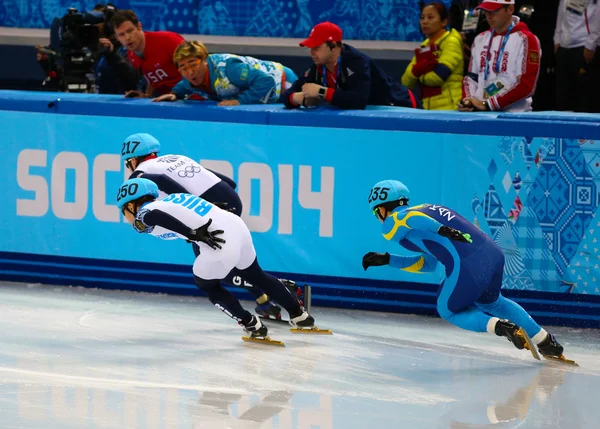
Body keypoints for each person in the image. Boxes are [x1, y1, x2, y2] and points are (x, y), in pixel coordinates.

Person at [362, 179, 565, 359]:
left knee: (447, 309)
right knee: (494, 302)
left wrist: (440, 229)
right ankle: (546, 341)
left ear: (381, 208)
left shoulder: (394, 221)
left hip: (467, 264)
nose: (377, 217)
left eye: (375, 212)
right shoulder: (427, 207)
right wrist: (389, 259)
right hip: (493, 254)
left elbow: (407, 220)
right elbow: (428, 264)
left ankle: (503, 327)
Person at [120, 132, 298, 319]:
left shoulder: (139, 174)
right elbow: (229, 182)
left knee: (214, 268)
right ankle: (264, 298)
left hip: (207, 208)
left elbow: (163, 182)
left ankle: (276, 289)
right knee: (229, 261)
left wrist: (197, 205)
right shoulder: (175, 158)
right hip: (228, 197)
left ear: (132, 159)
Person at [115, 178, 315, 339]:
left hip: (217, 238)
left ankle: (251, 324)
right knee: (256, 275)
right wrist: (193, 229)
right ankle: (299, 315)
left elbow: (155, 216)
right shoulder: (174, 197)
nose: (126, 217)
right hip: (236, 226)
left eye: (124, 210)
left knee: (207, 285)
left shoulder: (145, 212)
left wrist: (191, 233)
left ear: (132, 205)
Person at [282, 21, 421, 110]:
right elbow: (287, 94)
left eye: (316, 47)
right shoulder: (318, 67)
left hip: (401, 105)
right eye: (310, 47)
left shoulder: (357, 62)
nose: (311, 52)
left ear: (334, 46)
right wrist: (299, 99)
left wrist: (321, 91)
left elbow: (358, 100)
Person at [459, 0, 542, 112]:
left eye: (494, 10)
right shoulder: (480, 39)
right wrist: (469, 100)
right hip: (479, 114)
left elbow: (526, 85)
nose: (488, 16)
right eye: (486, 10)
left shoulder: (527, 39)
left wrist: (488, 104)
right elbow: (471, 77)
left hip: (515, 116)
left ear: (510, 9)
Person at [152, 41, 297, 105]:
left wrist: (239, 101)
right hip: (265, 98)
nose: (190, 72)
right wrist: (174, 94)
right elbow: (183, 85)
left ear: (204, 59)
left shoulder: (229, 68)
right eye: (183, 68)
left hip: (283, 82)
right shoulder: (190, 79)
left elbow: (266, 81)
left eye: (193, 64)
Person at [401, 3, 464, 110]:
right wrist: (417, 71)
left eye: (430, 17)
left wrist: (418, 74)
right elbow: (405, 82)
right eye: (422, 18)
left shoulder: (451, 41)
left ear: (444, 21)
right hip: (427, 108)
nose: (425, 22)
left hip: (451, 107)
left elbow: (438, 77)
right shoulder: (425, 45)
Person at [111, 10, 185, 98]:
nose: (127, 38)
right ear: (117, 38)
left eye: (130, 31)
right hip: (164, 99)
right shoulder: (131, 55)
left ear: (139, 26)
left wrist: (175, 94)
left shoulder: (169, 40)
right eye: (121, 34)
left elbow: (197, 68)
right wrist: (147, 95)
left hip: (188, 97)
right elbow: (153, 78)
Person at [554, 0, 600, 112]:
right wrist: (557, 36)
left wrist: (592, 41)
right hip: (564, 45)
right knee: (563, 103)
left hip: (585, 44)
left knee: (586, 104)